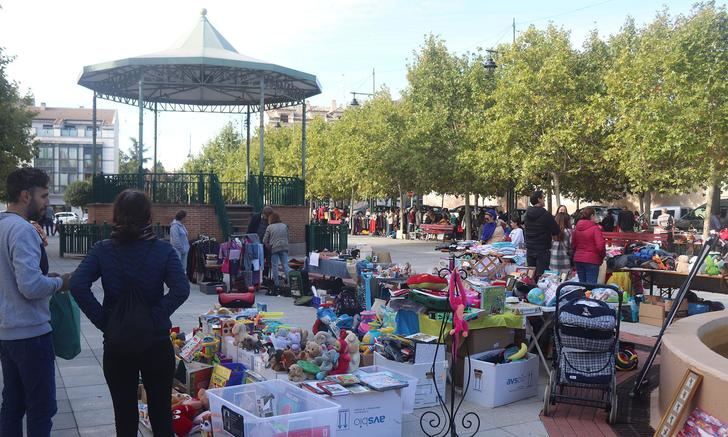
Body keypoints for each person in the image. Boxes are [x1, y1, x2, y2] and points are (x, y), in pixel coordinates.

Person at [70, 189, 189, 436]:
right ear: (148, 216)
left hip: (118, 344)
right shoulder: (162, 250)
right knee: (161, 415)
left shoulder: (102, 250)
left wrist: (106, 321)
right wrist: (156, 317)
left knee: (124, 416)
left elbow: (78, 284)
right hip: (156, 342)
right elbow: (181, 288)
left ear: (116, 216)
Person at [0, 168, 71, 436]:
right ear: (25, 195)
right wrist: (59, 282)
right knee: (41, 409)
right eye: (43, 196)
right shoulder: (22, 231)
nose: (47, 203)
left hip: (7, 335)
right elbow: (30, 286)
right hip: (30, 334)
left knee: (13, 405)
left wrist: (44, 277)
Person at [524, 191, 560, 278]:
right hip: (542, 249)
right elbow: (556, 230)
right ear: (539, 199)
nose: (544, 200)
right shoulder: (546, 214)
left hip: (530, 248)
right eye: (543, 198)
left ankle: (530, 290)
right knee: (541, 276)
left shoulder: (526, 214)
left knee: (530, 275)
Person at [572, 207, 606, 283]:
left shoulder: (576, 228)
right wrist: (602, 256)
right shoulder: (595, 228)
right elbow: (600, 246)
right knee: (591, 287)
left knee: (582, 284)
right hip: (592, 260)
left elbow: (573, 245)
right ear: (592, 216)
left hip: (578, 259)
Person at [263, 212, 290, 291]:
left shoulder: (270, 227)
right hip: (284, 247)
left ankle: (276, 284)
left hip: (274, 248)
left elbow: (264, 240)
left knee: (275, 266)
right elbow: (288, 237)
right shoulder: (284, 226)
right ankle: (289, 282)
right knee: (285, 265)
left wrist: (268, 246)